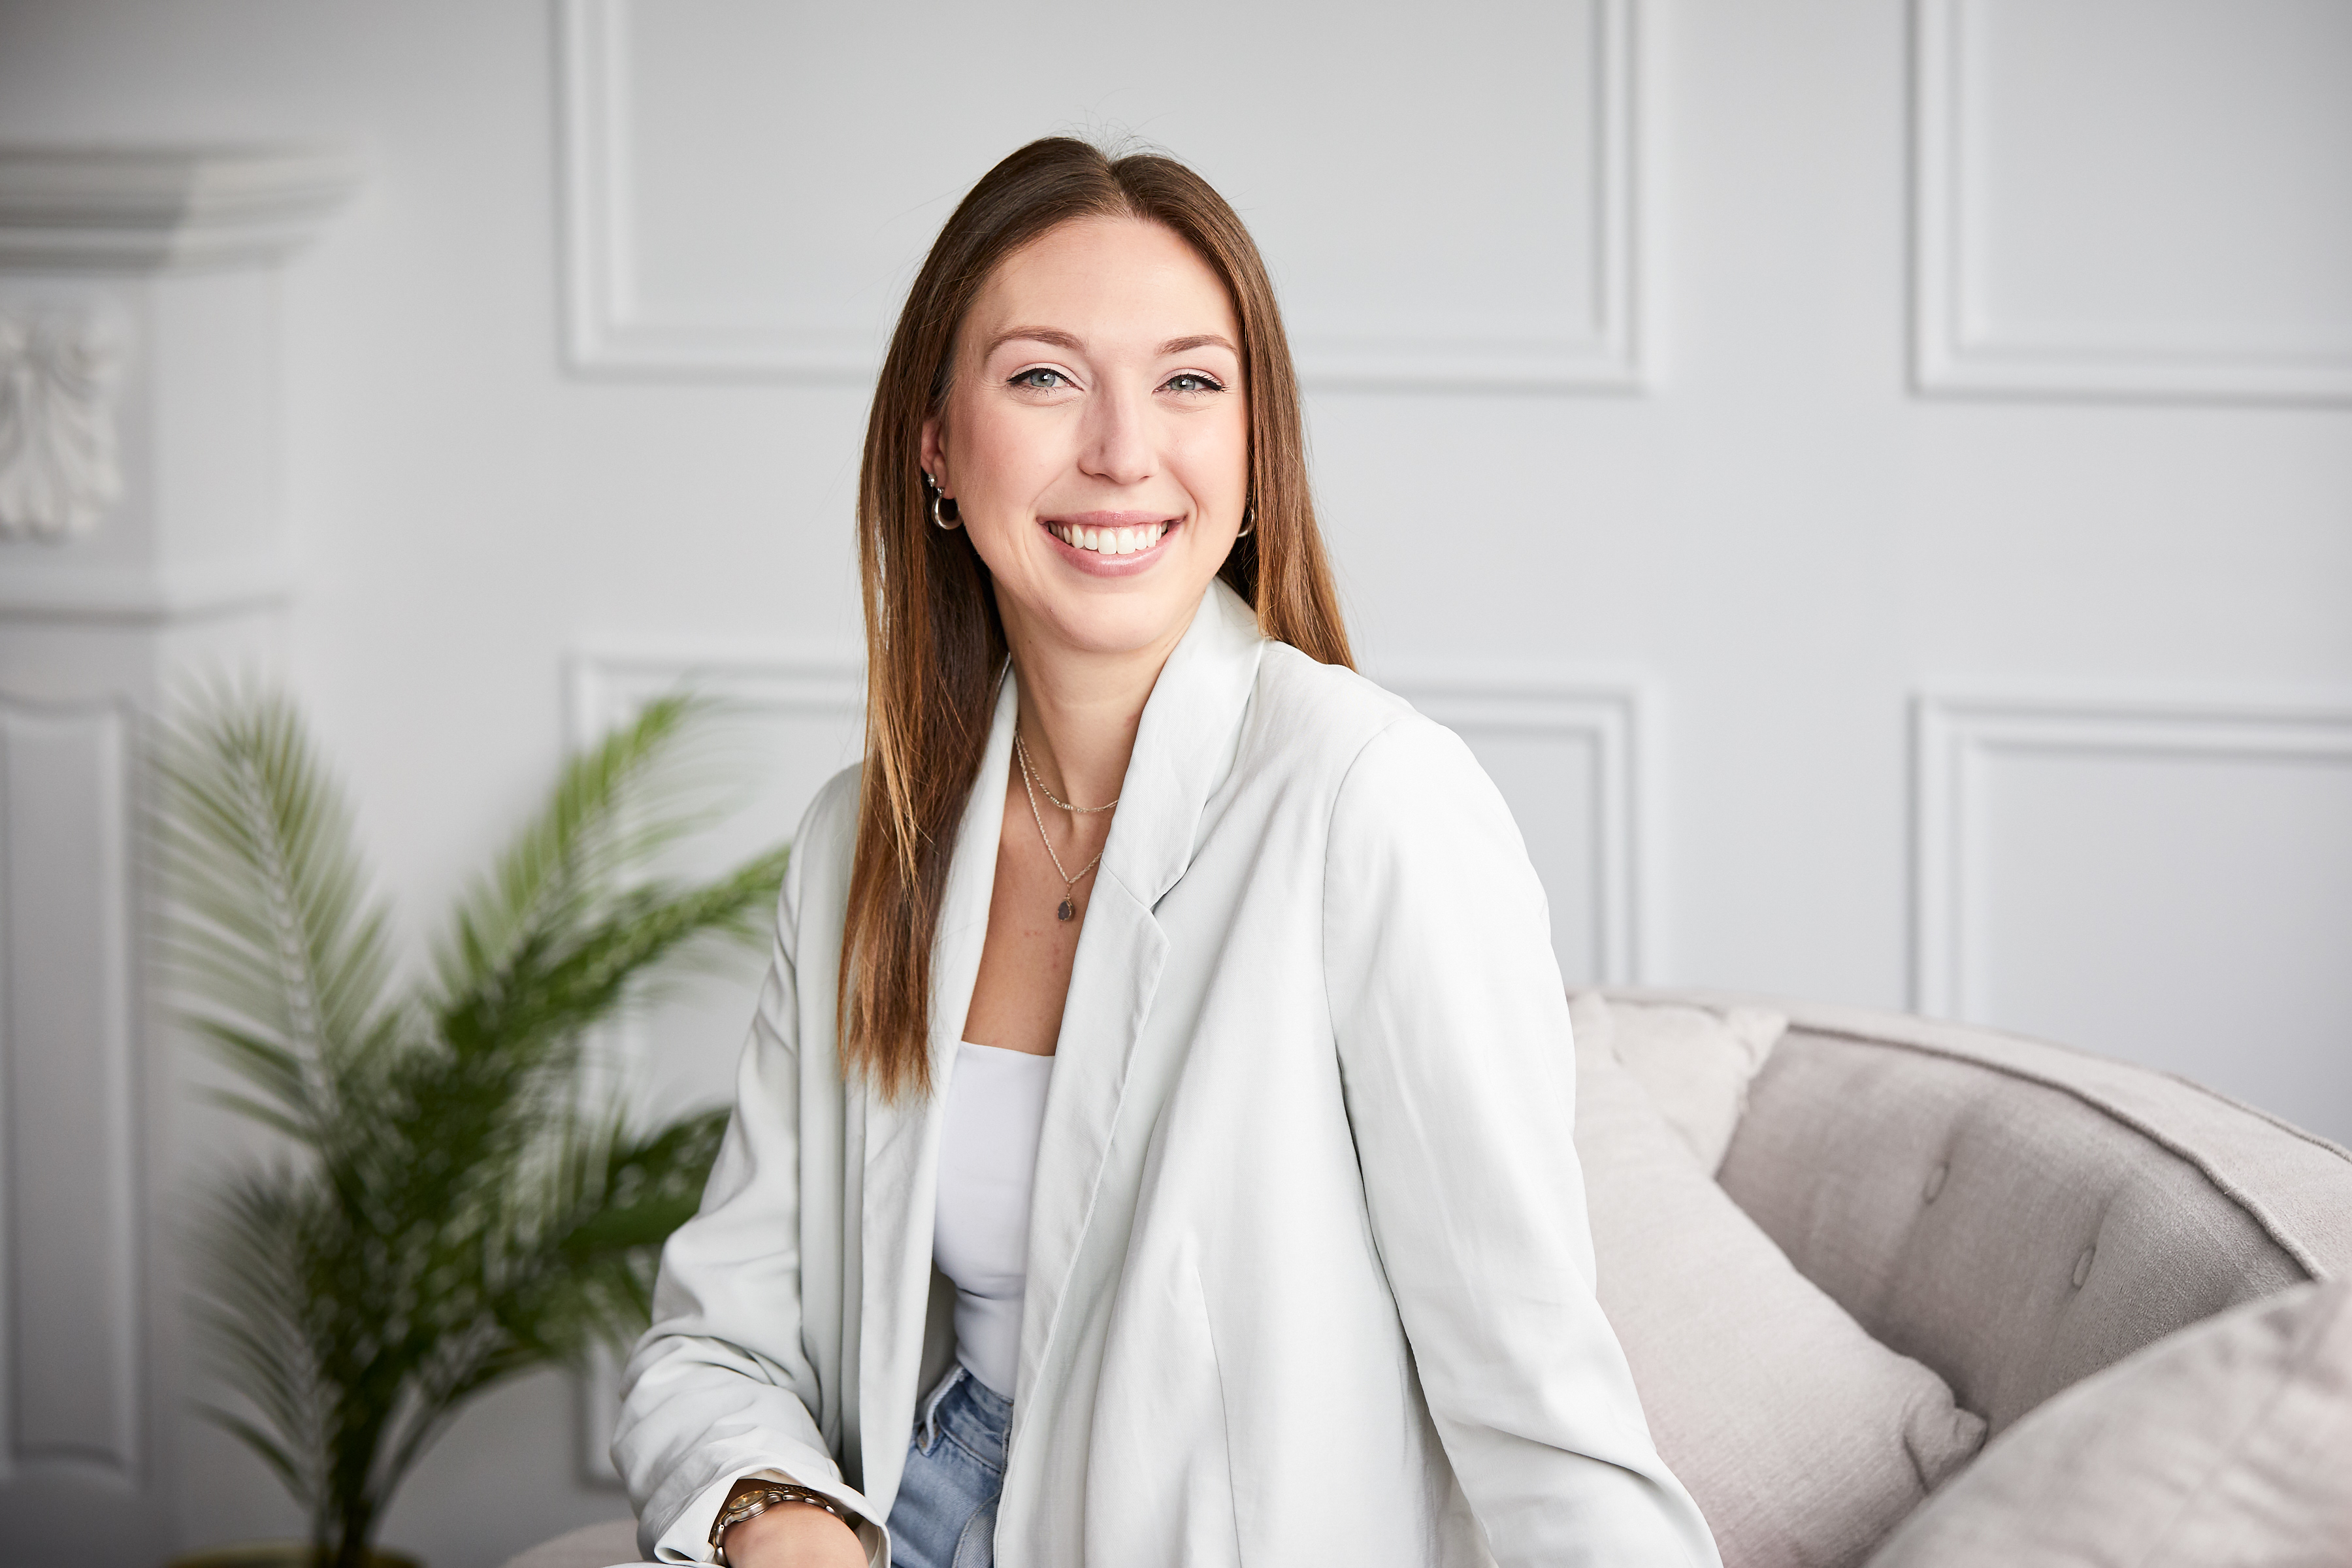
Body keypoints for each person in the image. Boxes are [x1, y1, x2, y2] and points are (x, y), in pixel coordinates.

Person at [613, 136, 1718, 1568]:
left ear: (1256, 456)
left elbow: (1540, 1411)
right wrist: (776, 1514)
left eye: (1190, 382)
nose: (1124, 451)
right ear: (936, 445)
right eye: (1043, 377)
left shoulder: (1373, 805)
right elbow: (715, 1341)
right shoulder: (866, 846)